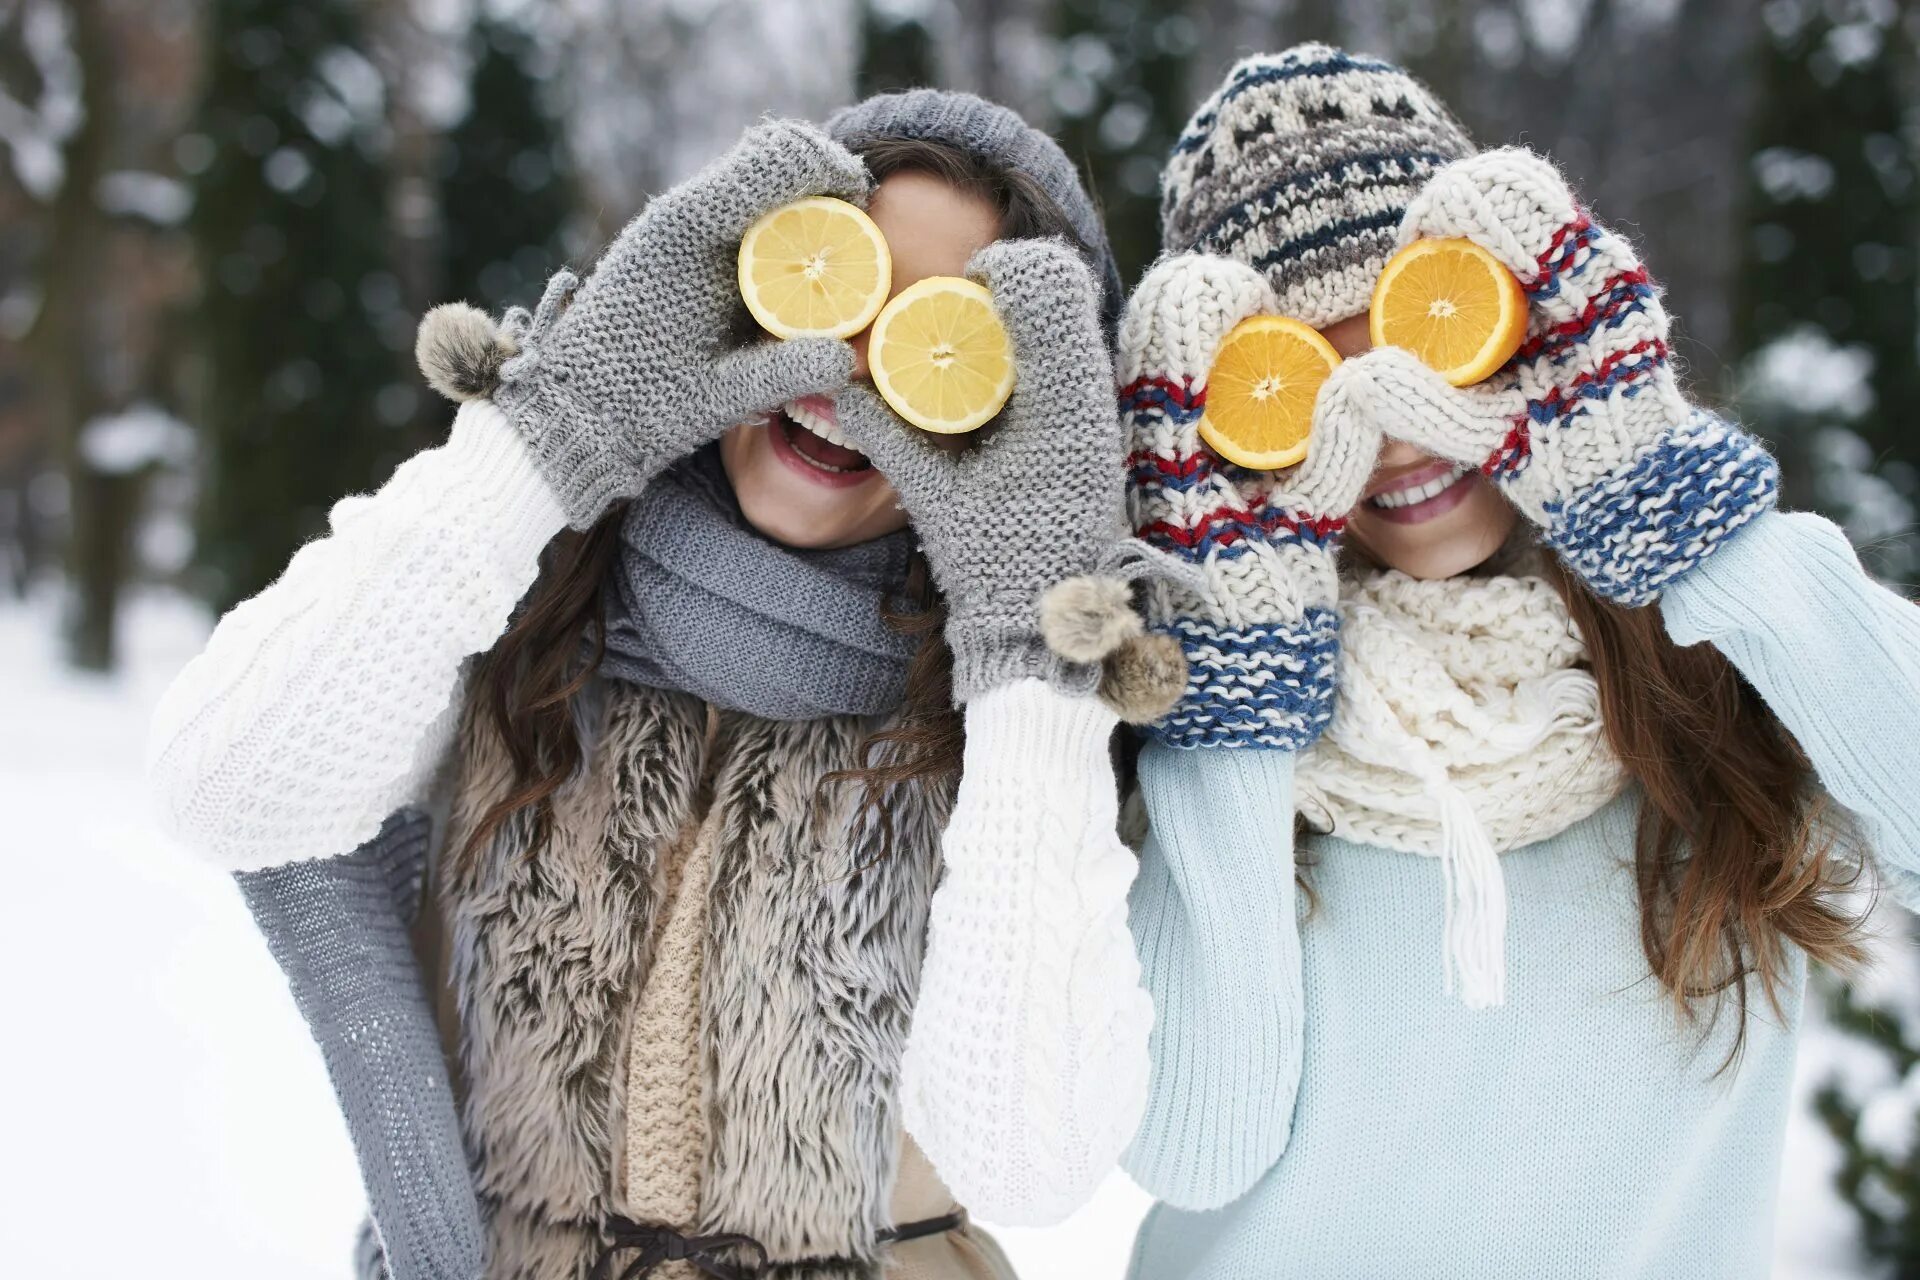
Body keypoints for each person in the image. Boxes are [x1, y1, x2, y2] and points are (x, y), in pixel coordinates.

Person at [146, 91, 1154, 1280]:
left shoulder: (1029, 727)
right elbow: (226, 790)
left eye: (935, 344)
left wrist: (1031, 652)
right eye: (829, 288)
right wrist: (554, 430)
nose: (841, 379)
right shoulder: (511, 584)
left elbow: (1032, 1164)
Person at [1117, 44, 1920, 1278]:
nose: (1382, 425)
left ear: (1521, 327)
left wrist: (1666, 505)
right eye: (1305, 379)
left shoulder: (1724, 661)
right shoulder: (1204, 726)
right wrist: (1233, 681)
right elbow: (1192, 1143)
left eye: (1419, 335)